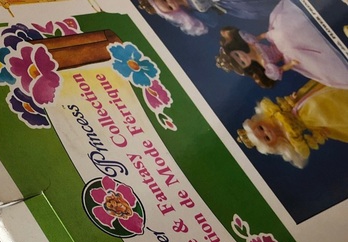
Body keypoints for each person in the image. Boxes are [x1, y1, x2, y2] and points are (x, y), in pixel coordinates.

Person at [216, 0, 348, 88]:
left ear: (236, 48)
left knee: (284, 33)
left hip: (276, 40)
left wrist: (266, 35)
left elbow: (261, 36)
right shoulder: (265, 65)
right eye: (242, 62)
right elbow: (279, 71)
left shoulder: (251, 43)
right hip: (286, 53)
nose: (242, 57)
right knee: (290, 44)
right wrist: (289, 65)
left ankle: (323, 14)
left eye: (237, 55)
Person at [238, 80, 348, 167]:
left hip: (302, 105)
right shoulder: (291, 137)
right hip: (313, 120)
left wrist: (290, 100)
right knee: (335, 114)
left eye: (261, 128)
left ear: (260, 121)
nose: (267, 131)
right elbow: (304, 146)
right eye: (267, 138)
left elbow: (285, 106)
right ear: (273, 143)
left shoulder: (274, 114)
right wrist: (317, 137)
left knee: (326, 92)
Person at [137, 0, 276, 36]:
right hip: (233, 4)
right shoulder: (192, 10)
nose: (170, 2)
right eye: (169, 7)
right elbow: (212, 20)